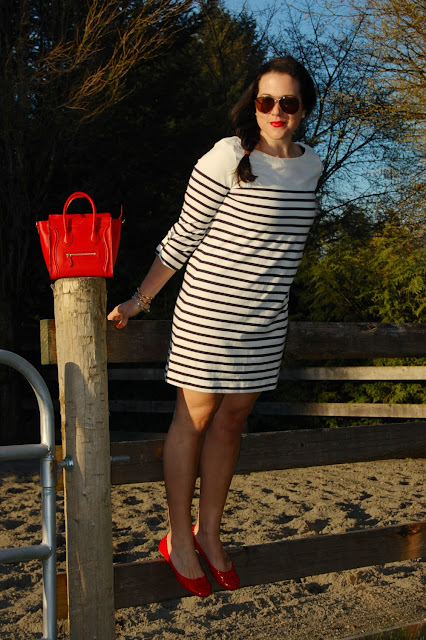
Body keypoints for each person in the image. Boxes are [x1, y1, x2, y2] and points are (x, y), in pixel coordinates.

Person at [107, 56, 322, 597]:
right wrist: (138, 300)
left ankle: (210, 533)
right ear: (254, 105)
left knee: (232, 423)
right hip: (211, 314)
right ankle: (178, 537)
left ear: (303, 108)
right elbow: (182, 237)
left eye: (287, 102)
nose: (276, 111)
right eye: (265, 101)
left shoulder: (311, 166)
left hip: (266, 320)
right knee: (196, 419)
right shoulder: (228, 155)